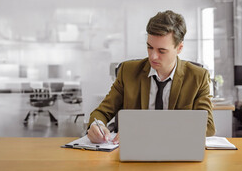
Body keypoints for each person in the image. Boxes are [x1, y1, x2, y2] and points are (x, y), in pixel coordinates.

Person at [87, 10, 216, 144]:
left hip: (176, 151)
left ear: (179, 48)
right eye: (150, 47)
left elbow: (207, 126)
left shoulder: (198, 77)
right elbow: (101, 112)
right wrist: (98, 126)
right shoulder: (128, 72)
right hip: (134, 154)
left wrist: (146, 130)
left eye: (161, 51)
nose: (153, 56)